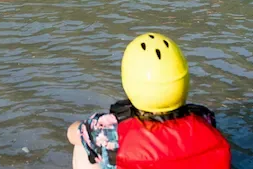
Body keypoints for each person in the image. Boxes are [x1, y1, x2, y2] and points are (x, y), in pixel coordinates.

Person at [67, 33, 231, 169]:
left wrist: (85, 125)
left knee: (83, 144)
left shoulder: (108, 128)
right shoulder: (204, 117)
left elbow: (72, 134)